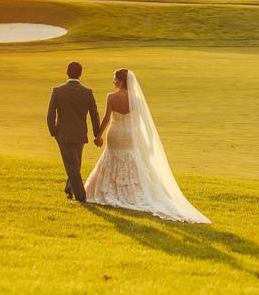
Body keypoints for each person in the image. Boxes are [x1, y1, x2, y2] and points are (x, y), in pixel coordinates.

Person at [84, 68, 210, 224]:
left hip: (115, 133)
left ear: (121, 82)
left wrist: (98, 136)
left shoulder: (111, 97)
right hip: (129, 134)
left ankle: (111, 190)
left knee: (111, 157)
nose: (113, 82)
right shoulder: (136, 99)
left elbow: (106, 119)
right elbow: (141, 122)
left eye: (114, 79)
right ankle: (131, 190)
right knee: (130, 158)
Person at [46, 61, 101, 202]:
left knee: (73, 164)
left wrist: (53, 132)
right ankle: (70, 189)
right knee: (74, 163)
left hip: (62, 133)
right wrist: (97, 134)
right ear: (80, 74)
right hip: (80, 133)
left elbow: (50, 114)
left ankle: (81, 197)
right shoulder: (87, 92)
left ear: (67, 72)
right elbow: (94, 115)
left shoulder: (57, 90)